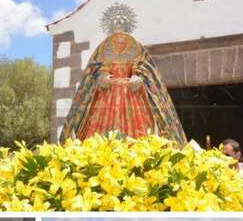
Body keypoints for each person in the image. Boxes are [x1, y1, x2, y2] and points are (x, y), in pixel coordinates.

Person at [60, 16, 186, 146]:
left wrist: (137, 79)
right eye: (117, 43)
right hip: (106, 97)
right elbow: (96, 71)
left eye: (122, 43)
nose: (119, 45)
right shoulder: (103, 51)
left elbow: (144, 71)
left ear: (126, 43)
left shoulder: (137, 51)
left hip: (130, 96)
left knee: (137, 134)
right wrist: (102, 78)